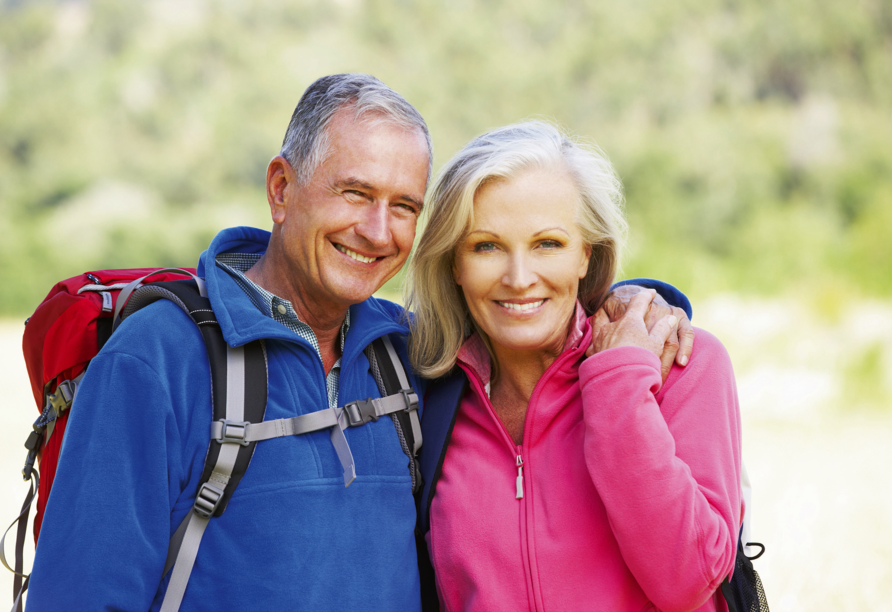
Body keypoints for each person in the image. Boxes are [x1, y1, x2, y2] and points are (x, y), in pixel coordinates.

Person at [24, 74, 691, 610]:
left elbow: (528, 304)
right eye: (355, 194)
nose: (378, 231)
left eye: (404, 206)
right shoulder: (159, 358)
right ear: (281, 189)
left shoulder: (409, 353)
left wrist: (639, 298)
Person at [407, 121, 742, 611]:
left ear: (587, 253)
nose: (519, 278)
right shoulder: (422, 390)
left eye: (548, 244)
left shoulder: (684, 364)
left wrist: (618, 387)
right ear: (454, 263)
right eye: (486, 246)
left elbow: (690, 579)